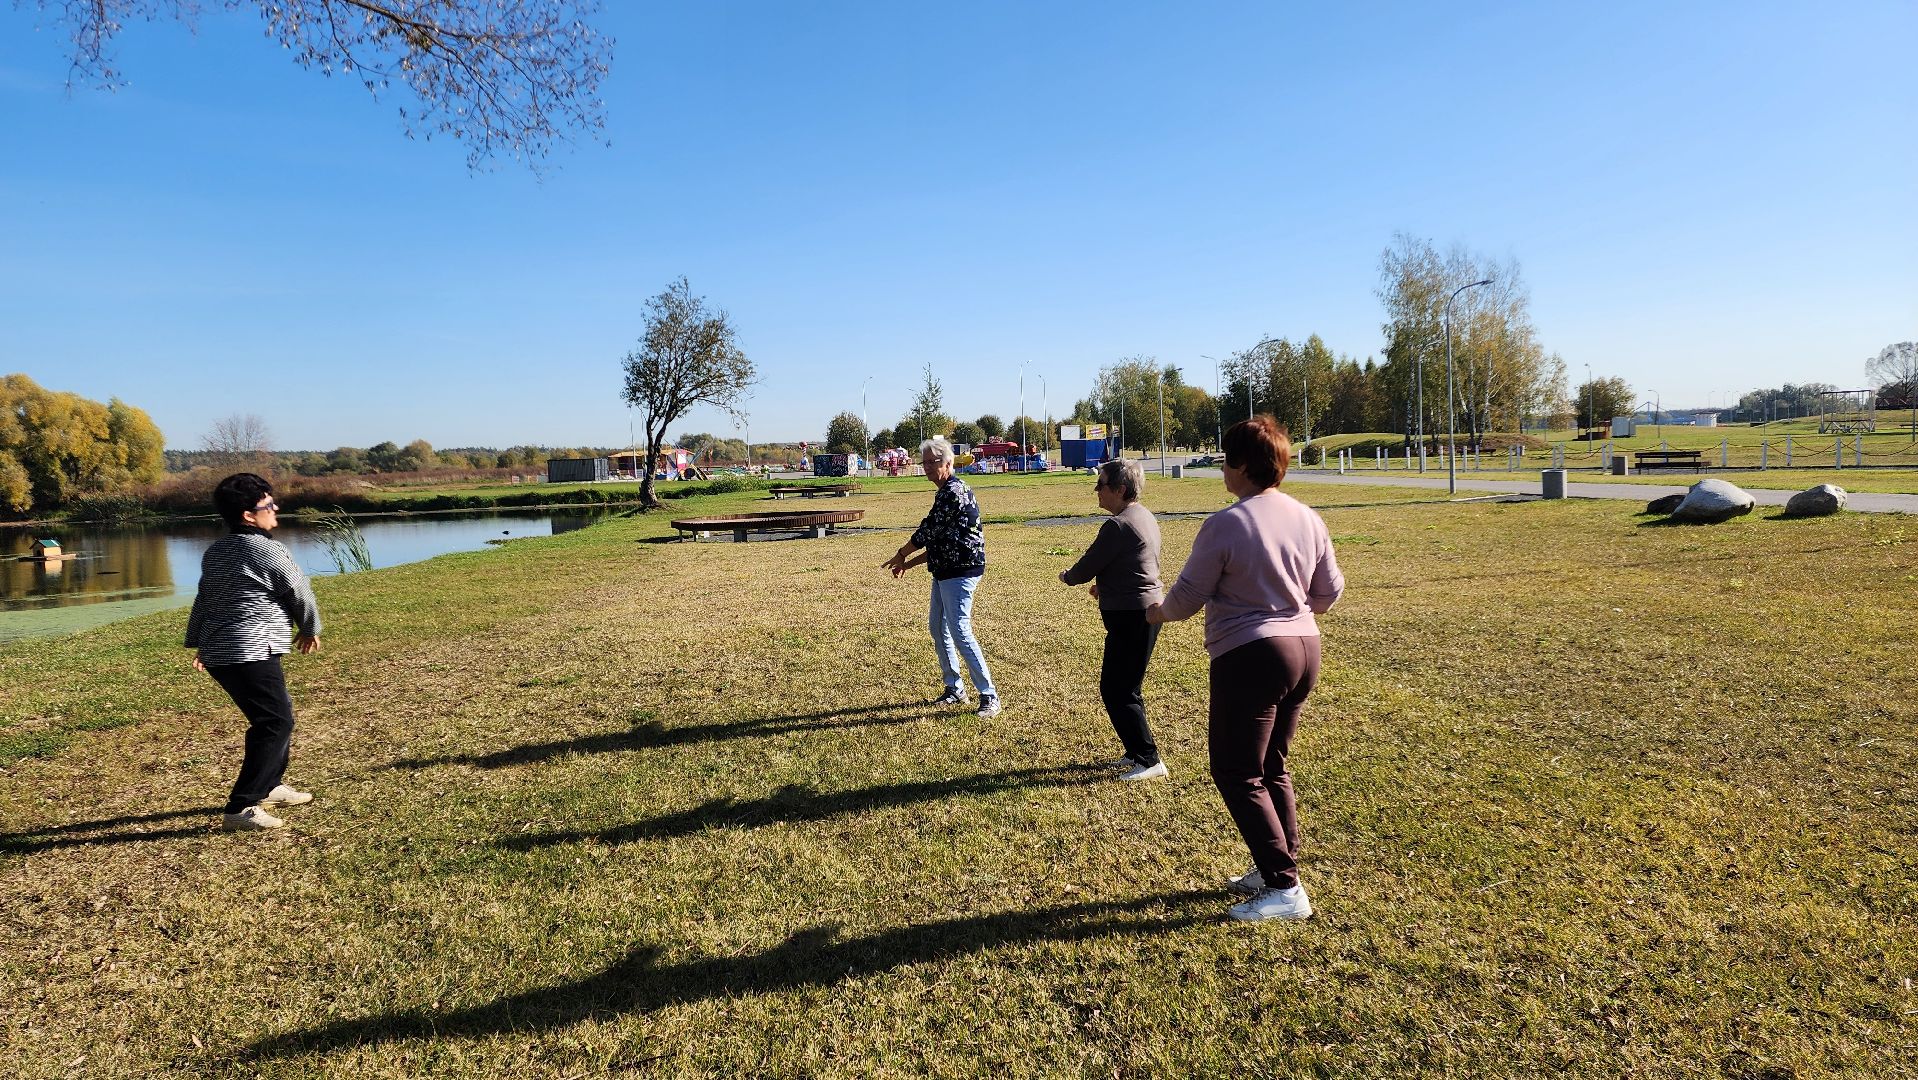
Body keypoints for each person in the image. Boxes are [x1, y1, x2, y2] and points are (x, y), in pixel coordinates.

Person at [1147, 417, 1344, 921]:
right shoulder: (1308, 518)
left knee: (1237, 770)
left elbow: (1187, 598)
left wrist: (1154, 611)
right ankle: (1276, 863)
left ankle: (1284, 888)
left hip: (1251, 655)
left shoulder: (1226, 523)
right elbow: (1328, 593)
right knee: (1272, 763)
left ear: (1240, 465)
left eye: (1224, 460)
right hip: (1305, 649)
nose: (1221, 470)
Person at [185, 473, 324, 832]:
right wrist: (310, 628)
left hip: (227, 651)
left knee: (276, 716)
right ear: (249, 515)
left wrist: (203, 643)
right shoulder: (267, 549)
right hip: (250, 649)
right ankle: (242, 806)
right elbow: (298, 590)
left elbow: (206, 598)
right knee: (275, 721)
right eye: (268, 505)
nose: (275, 509)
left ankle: (271, 786)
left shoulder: (215, 551)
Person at [1058, 458, 1166, 780]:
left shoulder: (1118, 525)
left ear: (1119, 489)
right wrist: (1106, 588)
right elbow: (1135, 565)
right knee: (1125, 687)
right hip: (1140, 612)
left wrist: (1070, 577)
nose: (1096, 491)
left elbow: (1088, 564)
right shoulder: (1143, 516)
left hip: (1133, 617)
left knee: (1118, 690)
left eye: (1101, 485)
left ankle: (1148, 759)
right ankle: (1136, 752)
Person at [882, 438, 1001, 717]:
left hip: (962, 570)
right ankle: (955, 689)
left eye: (933, 462)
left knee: (959, 629)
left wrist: (901, 553)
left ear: (949, 463)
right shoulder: (946, 491)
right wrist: (907, 564)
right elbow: (938, 541)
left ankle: (989, 695)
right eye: (924, 462)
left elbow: (927, 530)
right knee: (938, 627)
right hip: (945, 569)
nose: (927, 467)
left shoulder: (953, 491)